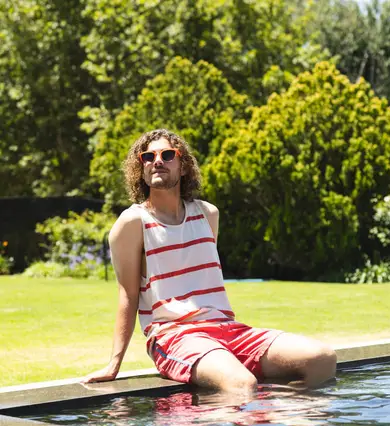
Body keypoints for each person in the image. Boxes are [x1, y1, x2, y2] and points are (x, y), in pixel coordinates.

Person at [83, 129, 336, 392]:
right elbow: (128, 294)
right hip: (174, 335)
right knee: (242, 383)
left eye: (167, 155)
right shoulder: (133, 222)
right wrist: (114, 364)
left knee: (322, 360)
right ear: (141, 168)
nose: (157, 161)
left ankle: (274, 421)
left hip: (228, 329)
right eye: (148, 157)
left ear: (183, 167)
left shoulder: (208, 214)